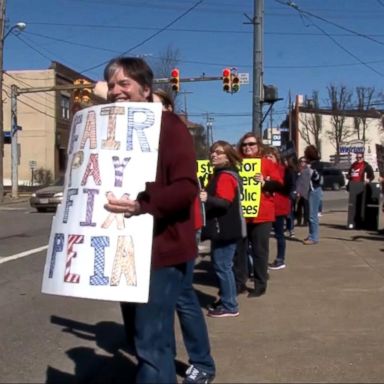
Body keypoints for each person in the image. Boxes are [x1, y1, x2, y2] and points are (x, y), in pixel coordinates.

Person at [102, 57, 206, 383]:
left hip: (162, 251)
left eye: (124, 84)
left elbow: (186, 188)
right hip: (125, 250)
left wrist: (141, 206)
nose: (116, 91)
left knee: (151, 343)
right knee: (142, 339)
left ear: (146, 90)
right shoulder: (108, 130)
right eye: (111, 84)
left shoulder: (170, 126)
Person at [153, 88, 216, 383]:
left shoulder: (175, 133)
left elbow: (182, 189)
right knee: (164, 304)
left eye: (152, 104)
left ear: (167, 108)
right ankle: (166, 361)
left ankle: (202, 363)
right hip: (152, 238)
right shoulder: (145, 141)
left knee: (182, 298)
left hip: (179, 235)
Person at [200, 140, 246, 317]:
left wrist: (206, 198)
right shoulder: (223, 174)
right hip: (226, 229)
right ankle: (228, 299)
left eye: (219, 152)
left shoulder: (225, 176)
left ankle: (230, 305)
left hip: (225, 230)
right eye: (212, 151)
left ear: (228, 156)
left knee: (222, 266)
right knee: (224, 265)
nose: (213, 154)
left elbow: (224, 203)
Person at [237, 133, 283, 297]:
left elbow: (279, 185)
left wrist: (265, 182)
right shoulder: (237, 164)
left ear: (258, 146)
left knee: (259, 251)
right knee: (240, 251)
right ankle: (239, 283)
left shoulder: (267, 163)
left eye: (251, 144)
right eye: (244, 144)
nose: (247, 147)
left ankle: (260, 285)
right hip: (241, 215)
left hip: (262, 215)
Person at [264, 147, 295, 270]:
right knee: (263, 237)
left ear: (276, 158)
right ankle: (262, 261)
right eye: (266, 157)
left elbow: (287, 188)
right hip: (265, 207)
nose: (268, 159)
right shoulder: (261, 170)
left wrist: (270, 184)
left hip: (279, 206)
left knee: (279, 234)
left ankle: (280, 259)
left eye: (270, 156)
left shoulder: (283, 170)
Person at [303, 145, 323, 245]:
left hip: (315, 190)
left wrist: (311, 170)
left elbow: (317, 178)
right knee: (310, 214)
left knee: (312, 215)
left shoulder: (317, 165)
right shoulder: (311, 164)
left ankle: (314, 237)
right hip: (311, 190)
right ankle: (311, 234)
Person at [295, 156, 310, 227]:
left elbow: (305, 182)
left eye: (304, 161)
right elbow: (298, 182)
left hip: (305, 192)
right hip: (299, 192)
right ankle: (299, 221)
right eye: (301, 161)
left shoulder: (308, 171)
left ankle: (305, 222)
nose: (302, 163)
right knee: (298, 208)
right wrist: (297, 191)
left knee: (306, 207)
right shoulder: (298, 170)